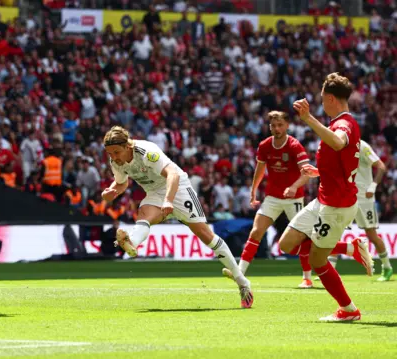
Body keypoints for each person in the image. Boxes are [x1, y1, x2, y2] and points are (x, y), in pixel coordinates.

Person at [102, 126, 254, 309]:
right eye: (110, 153)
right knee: (143, 214)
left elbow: (172, 174)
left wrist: (169, 200)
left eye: (117, 152)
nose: (114, 157)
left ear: (127, 146)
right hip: (155, 193)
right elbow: (121, 182)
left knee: (205, 234)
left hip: (179, 188)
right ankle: (132, 243)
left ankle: (242, 281)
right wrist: (113, 191)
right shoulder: (116, 161)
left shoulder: (147, 151)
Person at [279, 73, 373, 322]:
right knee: (286, 244)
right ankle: (350, 248)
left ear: (331, 98)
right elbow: (343, 161)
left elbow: (340, 143)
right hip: (323, 198)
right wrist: (319, 172)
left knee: (317, 259)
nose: (321, 104)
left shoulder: (344, 125)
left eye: (322, 100)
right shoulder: (343, 123)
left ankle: (349, 310)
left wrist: (308, 118)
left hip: (336, 205)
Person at [223, 111, 312, 287]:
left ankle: (307, 278)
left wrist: (294, 186)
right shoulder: (264, 145)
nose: (277, 129)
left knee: (302, 237)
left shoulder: (295, 146)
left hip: (294, 198)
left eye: (280, 125)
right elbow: (260, 169)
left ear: (287, 126)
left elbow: (307, 172)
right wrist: (254, 190)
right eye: (273, 126)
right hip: (272, 197)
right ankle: (240, 274)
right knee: (256, 231)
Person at [328, 140, 391, 281]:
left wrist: (373, 186)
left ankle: (387, 267)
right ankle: (330, 270)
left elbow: (381, 166)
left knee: (372, 235)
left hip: (364, 198)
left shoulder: (362, 146)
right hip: (347, 197)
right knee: (336, 232)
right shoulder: (338, 145)